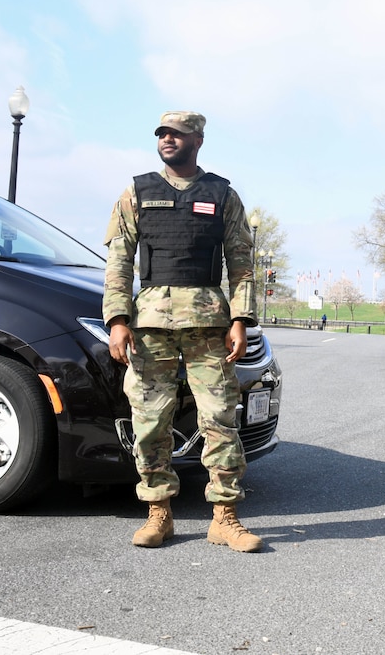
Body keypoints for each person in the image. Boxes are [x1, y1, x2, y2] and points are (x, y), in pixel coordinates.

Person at [103, 111, 263, 552]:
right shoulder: (136, 191)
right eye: (162, 134)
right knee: (150, 421)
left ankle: (225, 517)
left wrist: (240, 320)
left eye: (177, 134)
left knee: (219, 419)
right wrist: (117, 320)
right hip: (150, 324)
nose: (167, 140)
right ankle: (159, 513)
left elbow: (242, 263)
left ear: (198, 140)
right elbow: (118, 261)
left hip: (209, 325)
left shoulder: (222, 194)